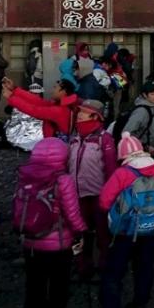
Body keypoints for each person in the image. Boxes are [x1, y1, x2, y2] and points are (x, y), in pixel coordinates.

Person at [14, 137, 86, 308]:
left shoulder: (24, 175)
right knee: (58, 284)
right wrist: (80, 231)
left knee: (34, 280)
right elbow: (72, 213)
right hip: (57, 243)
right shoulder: (63, 180)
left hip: (30, 238)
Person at [97, 135, 154, 308]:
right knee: (145, 267)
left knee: (113, 272)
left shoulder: (122, 173)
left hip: (125, 231)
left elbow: (104, 202)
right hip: (151, 228)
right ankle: (139, 306)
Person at [68, 99, 116, 280]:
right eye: (79, 111)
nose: (79, 115)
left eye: (84, 112)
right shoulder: (75, 138)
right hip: (76, 195)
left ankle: (103, 267)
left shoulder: (104, 139)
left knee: (102, 233)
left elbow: (111, 170)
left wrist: (110, 195)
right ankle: (82, 267)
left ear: (96, 116)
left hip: (98, 195)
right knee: (79, 233)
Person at [3, 77, 78, 139]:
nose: (52, 91)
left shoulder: (60, 110)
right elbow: (38, 101)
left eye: (55, 88)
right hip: (55, 144)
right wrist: (15, 89)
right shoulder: (62, 106)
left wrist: (11, 97)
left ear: (64, 91)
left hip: (55, 146)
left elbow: (34, 110)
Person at [121, 78, 154, 157]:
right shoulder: (142, 111)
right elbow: (126, 133)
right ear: (145, 95)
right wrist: (145, 147)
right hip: (142, 152)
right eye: (152, 94)